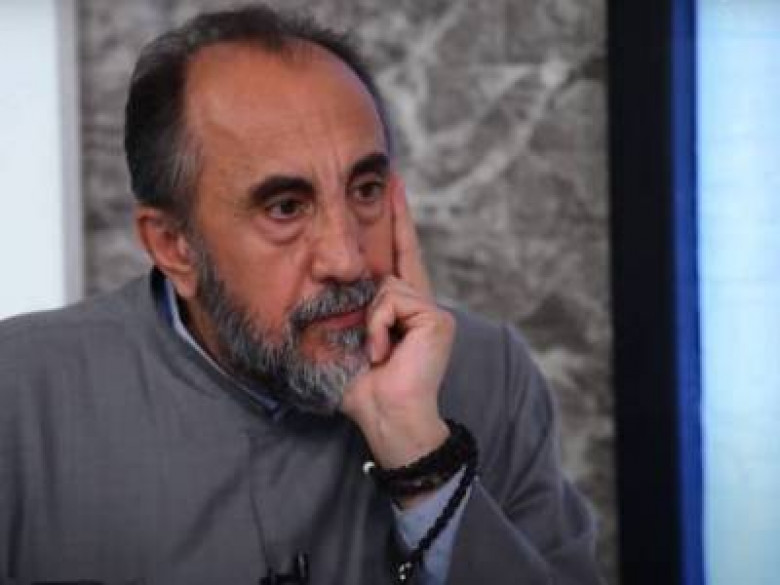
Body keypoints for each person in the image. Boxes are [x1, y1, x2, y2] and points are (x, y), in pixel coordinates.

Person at [0, 5, 604, 585]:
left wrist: (419, 451)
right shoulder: (19, 396)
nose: (347, 260)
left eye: (365, 190)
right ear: (174, 245)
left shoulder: (491, 374)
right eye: (286, 208)